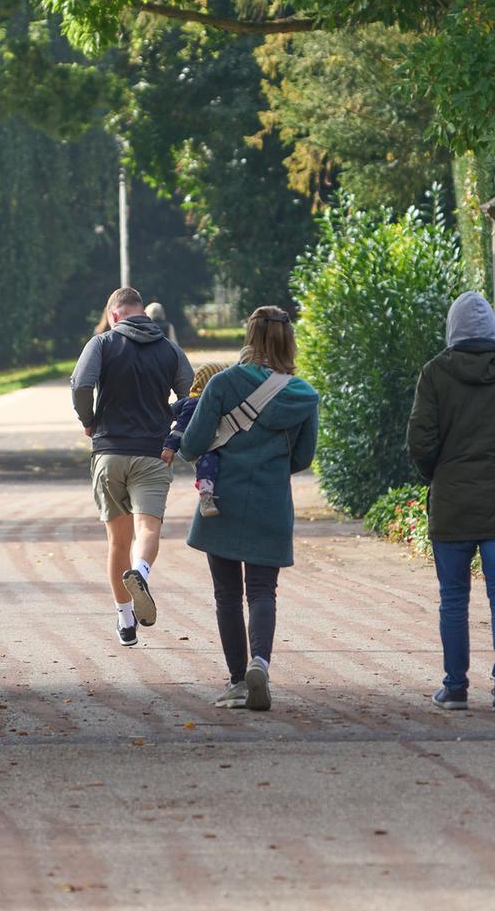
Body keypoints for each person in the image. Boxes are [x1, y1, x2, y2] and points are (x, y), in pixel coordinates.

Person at [408, 291, 495, 713]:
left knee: (453, 598)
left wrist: (437, 473)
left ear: (453, 330)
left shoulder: (435, 374)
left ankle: (455, 688)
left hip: (451, 502)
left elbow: (420, 440)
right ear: (492, 330)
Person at [179, 307, 319, 711]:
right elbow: (304, 457)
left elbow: (192, 444)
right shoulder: (303, 394)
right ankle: (261, 661)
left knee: (226, 594)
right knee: (262, 591)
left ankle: (238, 680)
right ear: (288, 341)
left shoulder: (223, 383)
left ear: (250, 336)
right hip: (270, 502)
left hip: (221, 501)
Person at [71, 287, 194, 647]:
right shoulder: (170, 349)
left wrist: (88, 419)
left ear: (114, 315)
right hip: (153, 453)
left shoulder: (103, 344)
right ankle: (140, 573)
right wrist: (177, 432)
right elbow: (192, 396)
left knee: (116, 542)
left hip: (109, 452)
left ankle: (125, 622)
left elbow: (81, 384)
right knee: (148, 530)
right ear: (142, 313)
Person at [164, 362, 230, 517]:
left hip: (208, 443)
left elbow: (168, 412)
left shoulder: (189, 400)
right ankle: (206, 498)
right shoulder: (197, 404)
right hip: (205, 447)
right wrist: (169, 447)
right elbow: (180, 427)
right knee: (209, 462)